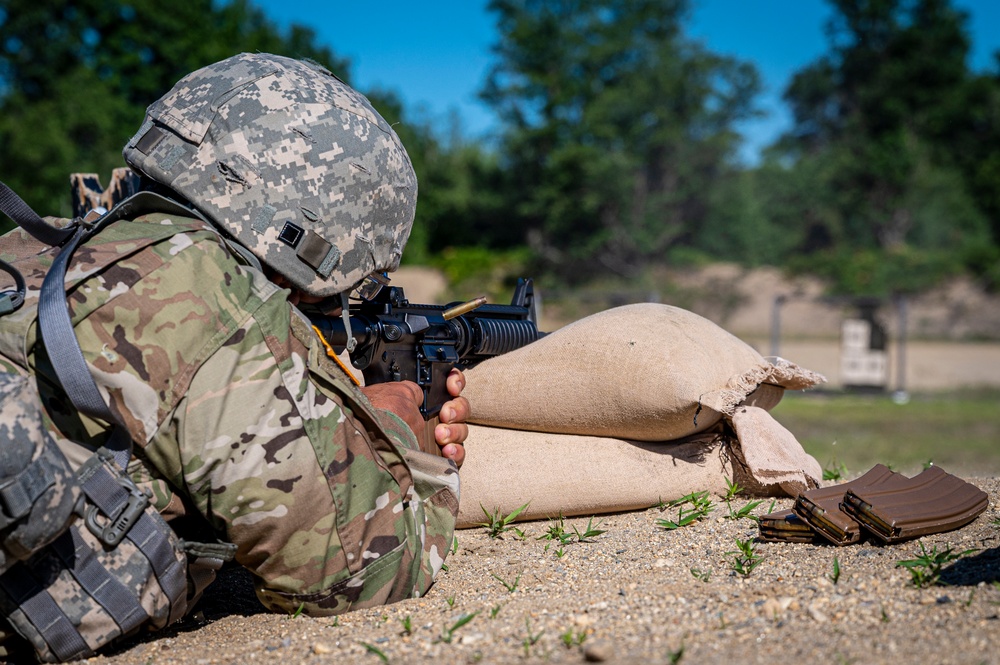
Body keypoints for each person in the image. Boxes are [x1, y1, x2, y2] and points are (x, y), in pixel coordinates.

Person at [0, 51, 468, 627]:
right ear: (303, 240)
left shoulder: (30, 248)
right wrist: (395, 428)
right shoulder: (213, 292)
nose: (320, 309)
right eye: (329, 294)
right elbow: (355, 573)